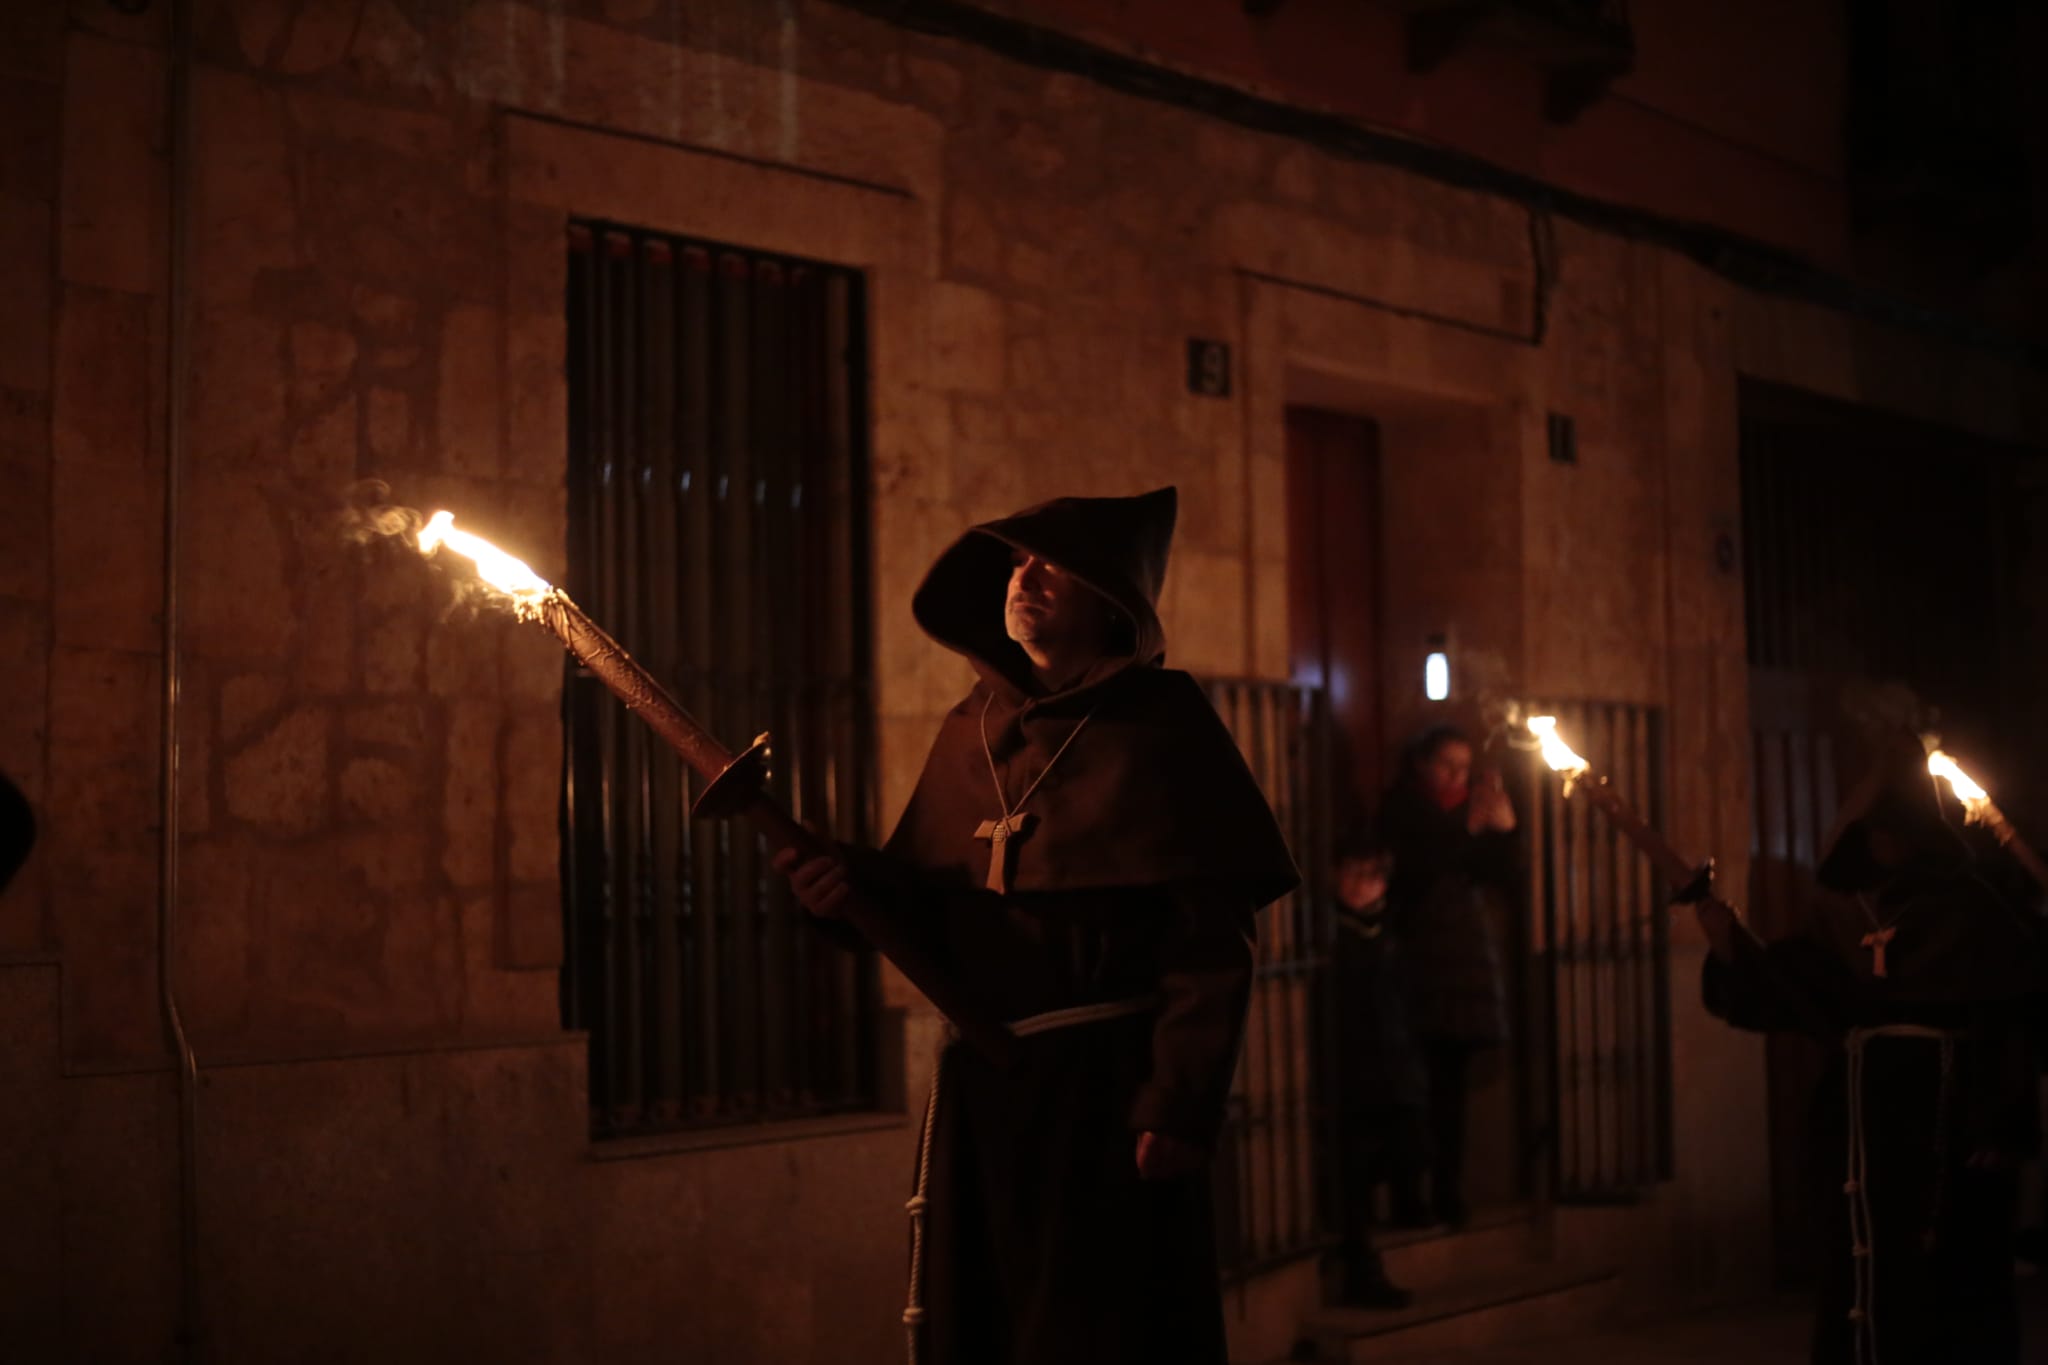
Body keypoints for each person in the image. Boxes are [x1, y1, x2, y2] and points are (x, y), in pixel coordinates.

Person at [776, 487, 1298, 1365]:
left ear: (1111, 597)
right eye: (1018, 561)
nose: (1026, 577)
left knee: (1101, 1334)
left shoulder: (1164, 729)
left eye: (1053, 564)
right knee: (991, 1325)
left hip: (1109, 1098)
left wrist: (1177, 1099)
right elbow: (922, 897)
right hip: (989, 1086)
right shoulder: (969, 727)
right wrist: (844, 884)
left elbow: (1210, 939)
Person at [1695, 731, 2043, 1365]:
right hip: (1863, 1133)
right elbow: (1797, 993)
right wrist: (1727, 949)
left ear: (1910, 832)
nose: (1875, 842)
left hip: (1952, 1130)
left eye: (1886, 830)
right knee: (1862, 1276)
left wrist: (2003, 1117)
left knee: (1951, 1288)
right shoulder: (1848, 914)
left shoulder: (1973, 910)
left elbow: (2015, 1012)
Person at [1376, 725, 1516, 1227]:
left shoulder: (1465, 810)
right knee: (1409, 1087)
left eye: (1463, 767)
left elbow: (1495, 875)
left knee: (1451, 1090)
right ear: (1421, 763)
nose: (1455, 776)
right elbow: (1414, 873)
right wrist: (1468, 829)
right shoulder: (1402, 810)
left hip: (1461, 964)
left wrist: (1503, 831)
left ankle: (1448, 1192)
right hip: (1415, 962)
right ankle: (1408, 1198)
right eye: (1446, 765)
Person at [1330, 833, 1421, 1308]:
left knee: (1393, 1157)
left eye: (1374, 876)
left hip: (1390, 1068)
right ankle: (1360, 1271)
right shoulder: (1332, 936)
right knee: (1353, 1177)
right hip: (1351, 1072)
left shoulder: (1389, 931)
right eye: (1355, 873)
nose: (1365, 885)